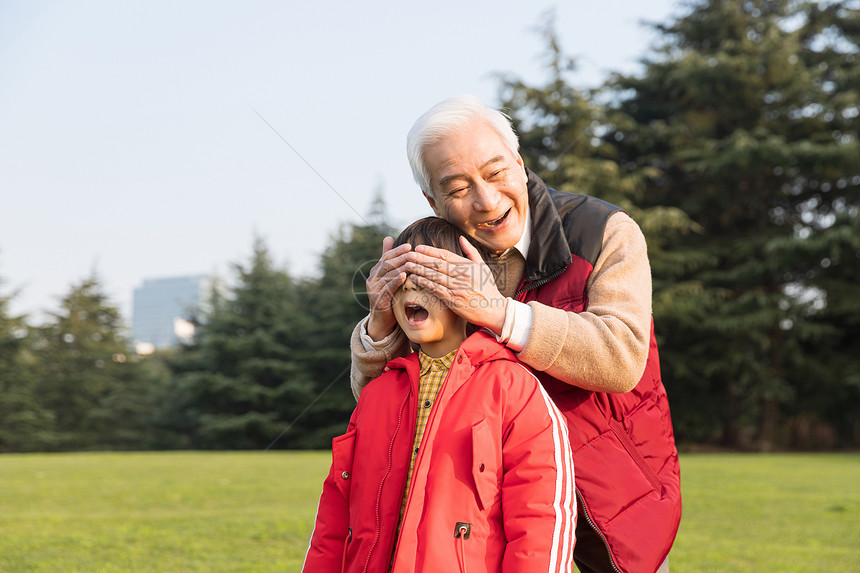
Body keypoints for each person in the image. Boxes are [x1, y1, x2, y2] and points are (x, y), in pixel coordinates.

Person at [349, 95, 681, 573]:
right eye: (459, 188)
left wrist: (499, 312)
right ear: (433, 201)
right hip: (488, 523)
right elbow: (387, 405)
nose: (487, 200)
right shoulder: (435, 254)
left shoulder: (605, 231)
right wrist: (379, 329)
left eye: (496, 171)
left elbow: (622, 358)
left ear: (520, 164)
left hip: (610, 512)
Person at [303, 217, 576, 573]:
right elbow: (333, 521)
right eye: (401, 279)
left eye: (432, 277)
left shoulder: (514, 391)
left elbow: (542, 523)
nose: (412, 289)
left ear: (470, 286)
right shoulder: (376, 395)